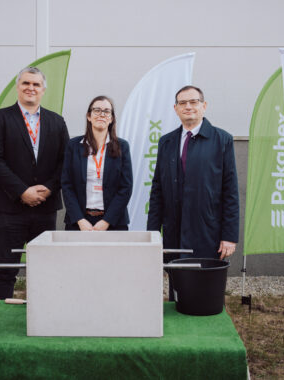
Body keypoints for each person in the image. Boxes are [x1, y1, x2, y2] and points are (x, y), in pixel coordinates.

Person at [0, 66, 69, 299]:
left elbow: (65, 161)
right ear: (18, 87)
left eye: (36, 84)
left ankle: (45, 314)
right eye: (26, 83)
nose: (31, 88)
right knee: (5, 270)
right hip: (9, 208)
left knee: (45, 269)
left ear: (43, 90)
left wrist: (49, 189)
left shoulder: (57, 121)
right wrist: (22, 191)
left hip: (45, 208)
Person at [147, 85, 239, 296]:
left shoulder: (222, 140)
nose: (188, 106)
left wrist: (229, 236)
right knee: (177, 289)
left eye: (193, 102)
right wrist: (153, 233)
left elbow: (230, 191)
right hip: (174, 230)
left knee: (204, 292)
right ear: (176, 108)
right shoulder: (166, 142)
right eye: (182, 103)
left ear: (204, 106)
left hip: (207, 231)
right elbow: (157, 190)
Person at [62, 96, 133, 231]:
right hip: (79, 222)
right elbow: (67, 185)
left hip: (113, 222)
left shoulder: (122, 146)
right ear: (89, 116)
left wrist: (107, 221)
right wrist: (80, 220)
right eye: (97, 110)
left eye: (106, 111)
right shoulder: (73, 146)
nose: (102, 114)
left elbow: (126, 187)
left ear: (111, 119)